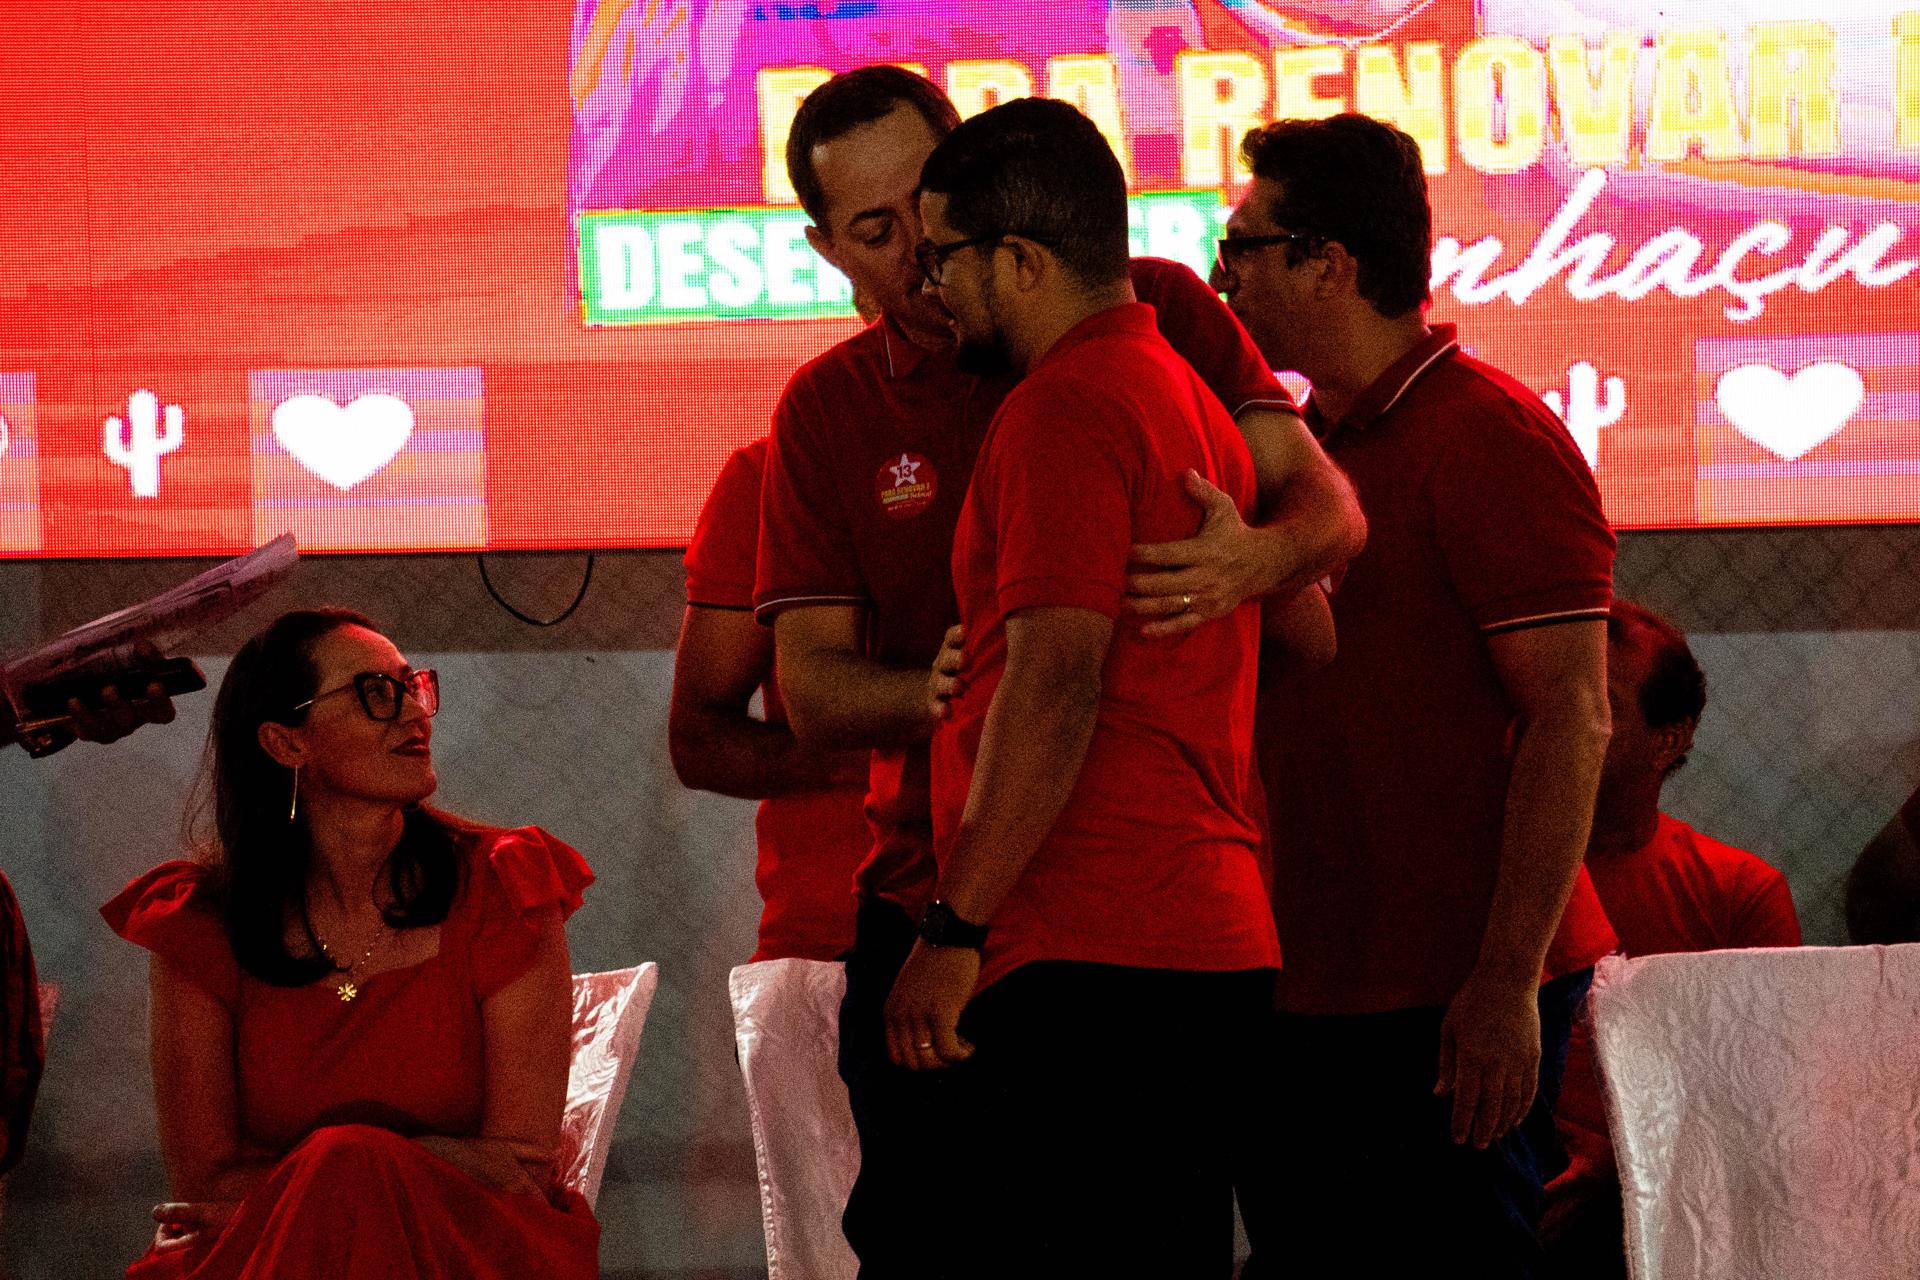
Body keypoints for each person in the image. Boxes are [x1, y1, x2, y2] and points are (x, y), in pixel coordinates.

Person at [752, 66, 1364, 1276]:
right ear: (826, 249)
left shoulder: (1094, 372)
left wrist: (1250, 562)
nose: (920, 263)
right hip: (1084, 909)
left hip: (1061, 916)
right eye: (879, 233)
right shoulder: (839, 405)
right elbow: (815, 692)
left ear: (1012, 243)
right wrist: (939, 691)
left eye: (936, 228)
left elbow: (1066, 675)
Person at [880, 97, 1307, 1277]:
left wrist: (954, 925)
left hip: (1088, 946)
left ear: (1020, 260)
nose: (929, 286)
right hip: (1199, 941)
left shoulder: (1063, 406)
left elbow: (1058, 682)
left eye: (943, 256)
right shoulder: (1182, 392)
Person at [1218, 113, 1619, 1278]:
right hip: (1303, 977)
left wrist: (1505, 978)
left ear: (1327, 263)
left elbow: (1572, 716)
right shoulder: (1296, 453)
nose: (1223, 277)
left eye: (1243, 247)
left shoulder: (1493, 438)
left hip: (1450, 985)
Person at [101, 608, 599, 1280]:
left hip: (468, 1246)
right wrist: (343, 1187)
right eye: (376, 693)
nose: (414, 713)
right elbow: (205, 1182)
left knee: (347, 1163)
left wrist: (347, 1170)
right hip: (267, 1253)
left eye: (412, 686)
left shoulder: (503, 885)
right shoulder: (200, 922)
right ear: (286, 742)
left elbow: (519, 1166)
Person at [1543, 599, 1801, 1280]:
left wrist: (1621, 1162)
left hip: (1660, 1203)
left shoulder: (1738, 892)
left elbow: (1764, 1100)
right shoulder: (1481, 876)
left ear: (1669, 739)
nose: (1564, 717)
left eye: (1601, 703)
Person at [670, 438, 874, 962]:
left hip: (1043, 929)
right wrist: (909, 742)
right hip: (828, 940)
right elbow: (700, 743)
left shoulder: (1044, 444)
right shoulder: (772, 475)